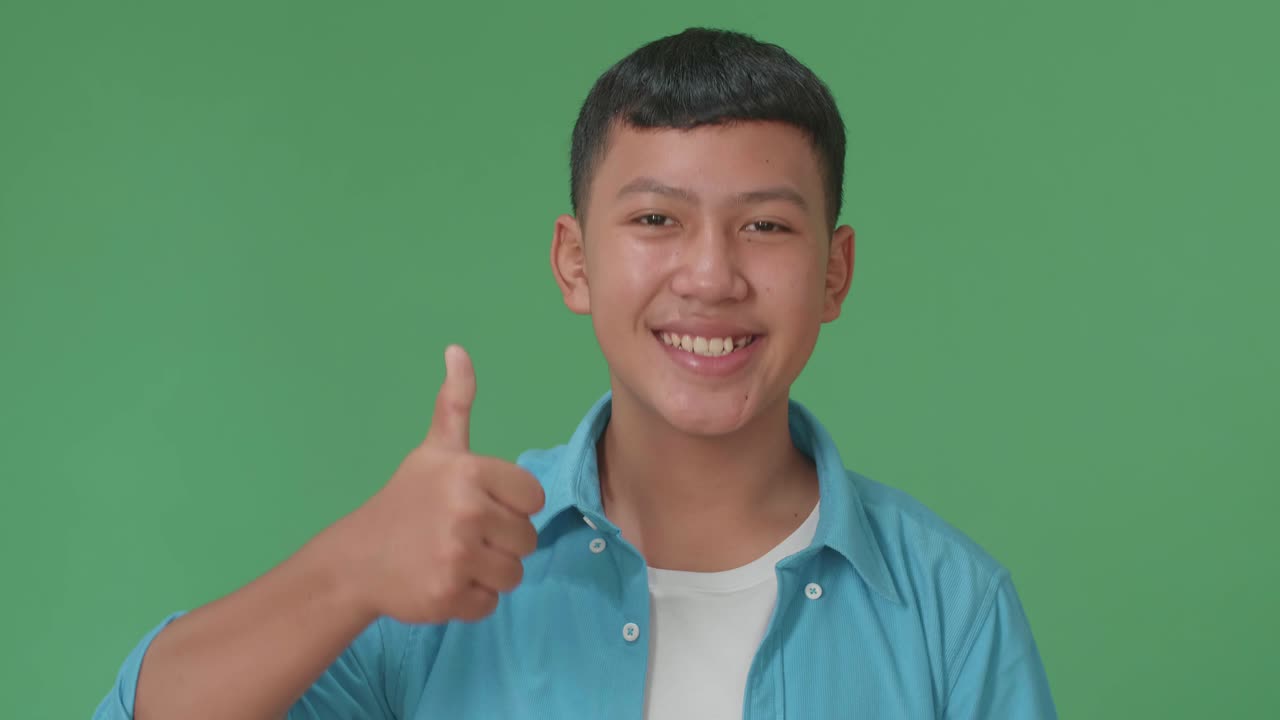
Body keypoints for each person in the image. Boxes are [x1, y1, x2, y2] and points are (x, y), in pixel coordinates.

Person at [94, 27, 1056, 719]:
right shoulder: (446, 567)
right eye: (655, 220)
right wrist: (349, 568)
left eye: (765, 225)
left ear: (835, 271)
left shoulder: (951, 611)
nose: (712, 275)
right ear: (574, 262)